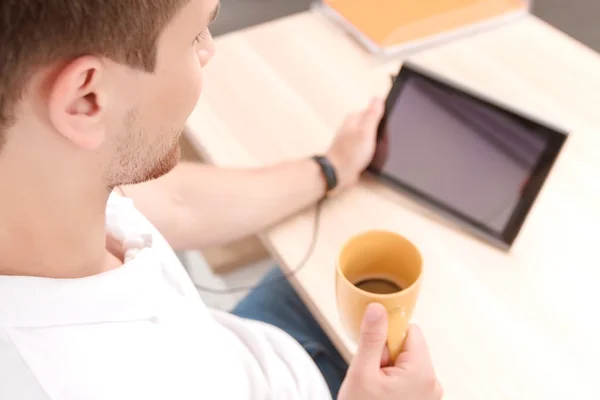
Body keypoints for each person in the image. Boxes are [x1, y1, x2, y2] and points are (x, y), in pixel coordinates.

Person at [0, 0, 443, 399]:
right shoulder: (73, 379)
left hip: (251, 355)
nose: (208, 50)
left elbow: (175, 202)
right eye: (194, 35)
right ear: (87, 99)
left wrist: (329, 169)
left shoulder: (43, 174)